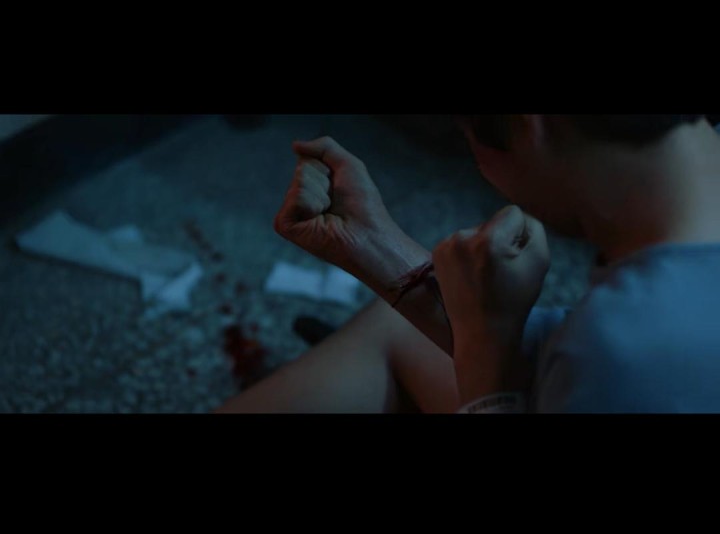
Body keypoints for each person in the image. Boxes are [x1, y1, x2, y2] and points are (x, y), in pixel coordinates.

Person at [217, 115, 720, 413]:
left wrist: (487, 343)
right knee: (399, 329)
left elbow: (598, 362)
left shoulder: (624, 349)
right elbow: (567, 357)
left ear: (528, 126)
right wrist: (370, 243)